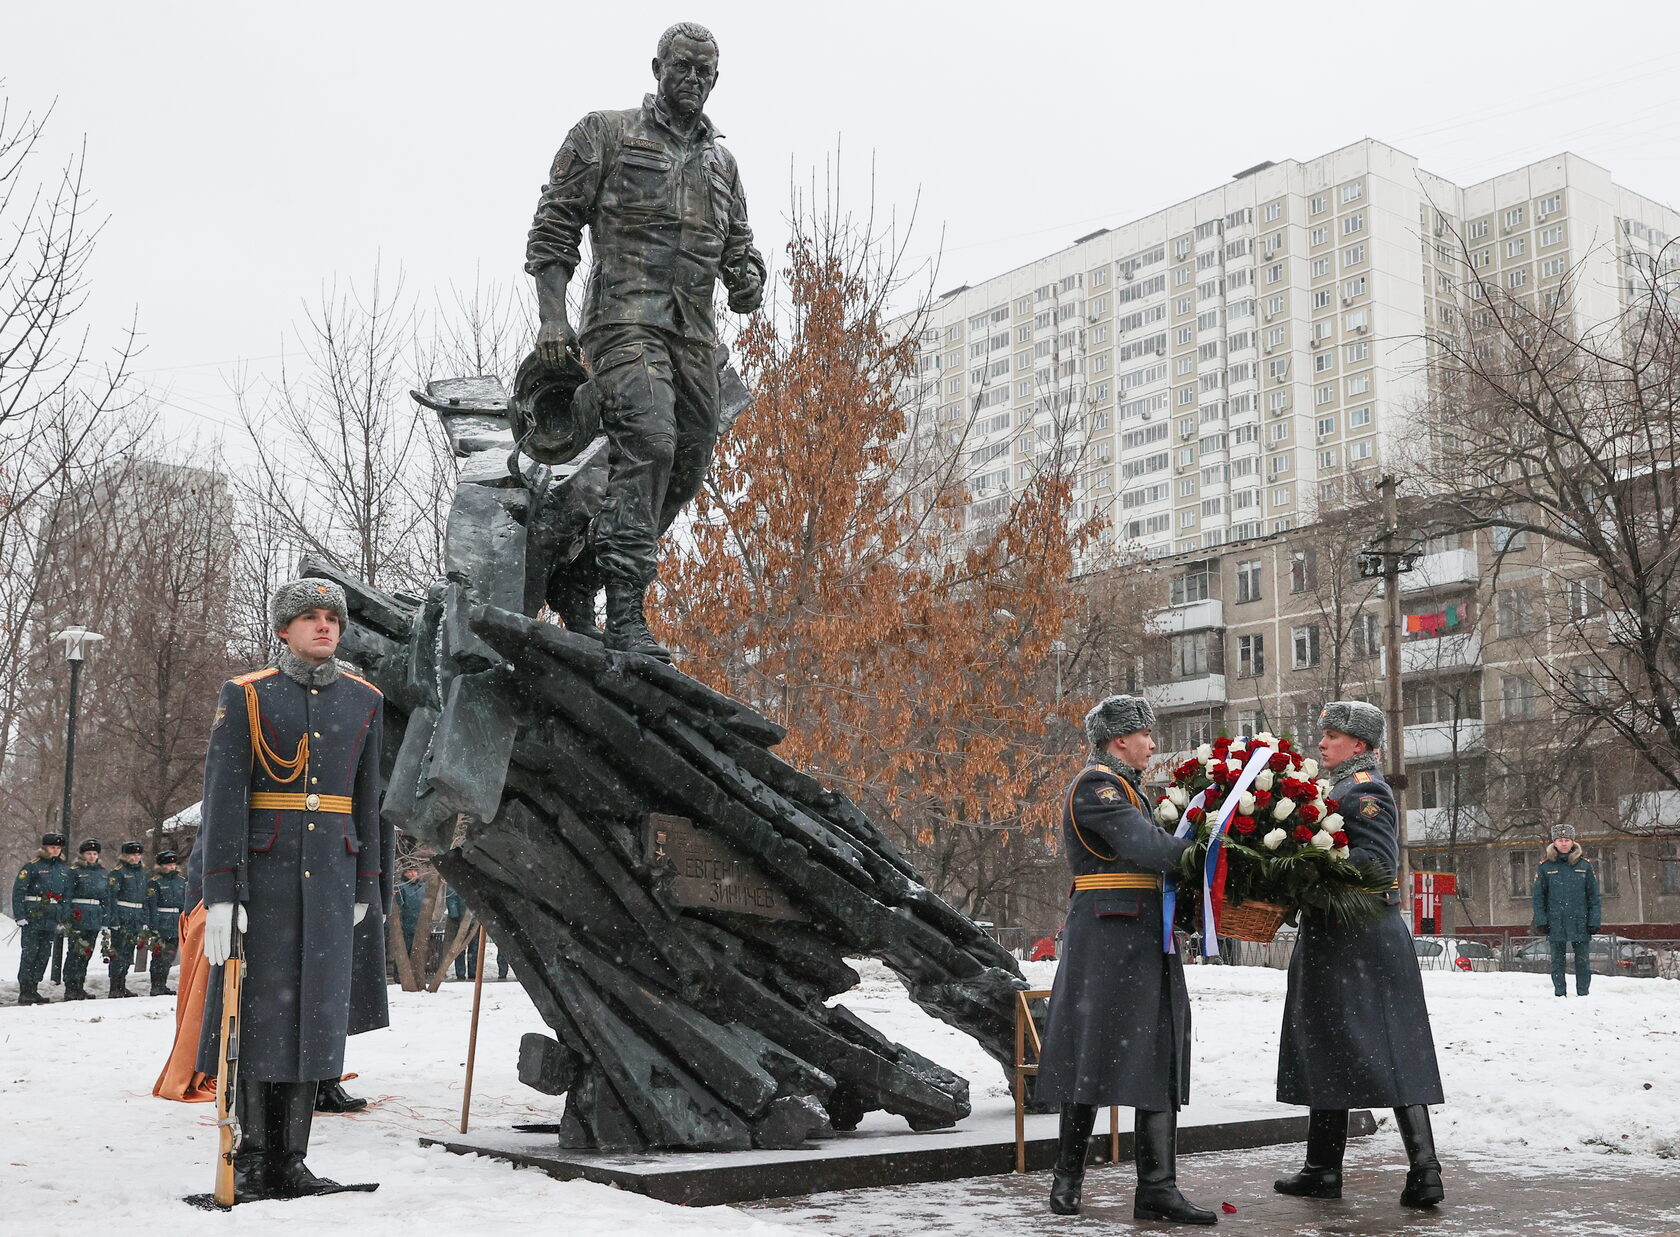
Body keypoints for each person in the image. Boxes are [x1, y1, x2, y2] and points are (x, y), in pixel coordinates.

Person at [525, 21, 766, 659]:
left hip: (694, 334)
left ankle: (582, 575)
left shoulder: (723, 162)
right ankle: (627, 614)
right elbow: (554, 225)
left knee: (684, 468)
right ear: (656, 68)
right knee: (651, 440)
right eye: (681, 68)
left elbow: (740, 247)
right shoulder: (603, 133)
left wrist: (748, 279)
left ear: (717, 79)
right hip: (622, 323)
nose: (692, 81)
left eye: (704, 72)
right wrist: (553, 319)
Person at [195, 577, 392, 1202]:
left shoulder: (363, 700)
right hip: (267, 879)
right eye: (309, 617)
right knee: (260, 1018)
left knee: (317, 1019)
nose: (325, 626)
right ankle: (253, 1160)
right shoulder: (249, 695)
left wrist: (368, 881)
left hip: (333, 879)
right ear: (284, 630)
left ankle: (293, 1161)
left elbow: (369, 799)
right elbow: (224, 795)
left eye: (333, 617)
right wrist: (222, 891)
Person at [1035, 695, 1215, 1226]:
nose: (1152, 744)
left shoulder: (1129, 788)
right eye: (1145, 735)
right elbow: (1147, 847)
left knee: (1156, 1051)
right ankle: (1067, 1180)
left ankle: (1157, 1187)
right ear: (1119, 740)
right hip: (1109, 934)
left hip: (1138, 935)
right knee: (1091, 1054)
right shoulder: (1098, 786)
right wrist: (1208, 852)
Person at [1275, 701, 1445, 1210]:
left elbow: (1374, 865)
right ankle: (1322, 1170)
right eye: (1323, 735)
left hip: (1362, 937)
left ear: (1362, 746)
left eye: (1334, 735)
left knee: (1390, 1050)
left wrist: (1307, 874)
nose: (1322, 742)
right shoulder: (1336, 789)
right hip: (1336, 937)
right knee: (1328, 1045)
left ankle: (1425, 1171)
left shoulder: (1367, 790)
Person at [1531, 823, 1601, 997]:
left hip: (1580, 921)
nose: (1564, 844)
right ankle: (1559, 994)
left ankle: (1583, 994)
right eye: (1560, 840)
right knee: (1557, 961)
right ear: (1554, 842)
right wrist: (1541, 921)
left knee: (1583, 961)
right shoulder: (1545, 867)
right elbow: (1538, 898)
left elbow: (1594, 897)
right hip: (1556, 922)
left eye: (1567, 840)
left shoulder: (1584, 866)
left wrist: (1594, 921)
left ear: (1573, 842)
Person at [12, 832, 71, 1004]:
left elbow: (66, 895)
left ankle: (34, 987)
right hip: (34, 914)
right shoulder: (32, 866)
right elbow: (19, 891)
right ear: (45, 847)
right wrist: (20, 915)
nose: (56, 850)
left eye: (58, 848)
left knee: (44, 953)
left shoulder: (62, 870)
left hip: (52, 916)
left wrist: (63, 916)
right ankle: (25, 989)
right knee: (30, 952)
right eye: (53, 847)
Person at [62, 839, 109, 1000]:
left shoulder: (102, 873)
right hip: (79, 914)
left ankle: (79, 985)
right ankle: (70, 987)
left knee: (86, 953)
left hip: (94, 916)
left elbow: (106, 898)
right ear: (82, 855)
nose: (92, 856)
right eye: (89, 853)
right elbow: (67, 895)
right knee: (75, 952)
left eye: (94, 854)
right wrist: (68, 916)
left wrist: (105, 919)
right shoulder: (75, 871)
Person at [106, 841, 149, 998]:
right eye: (132, 854)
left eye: (138, 855)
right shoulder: (119, 872)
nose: (136, 857)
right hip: (123, 915)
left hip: (135, 917)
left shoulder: (142, 874)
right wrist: (114, 919)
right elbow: (112, 897)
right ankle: (114, 986)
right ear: (125, 855)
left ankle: (122, 983)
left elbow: (144, 898)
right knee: (118, 951)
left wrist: (144, 919)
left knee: (128, 952)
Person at [145, 850, 187, 996]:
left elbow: (184, 904)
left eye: (174, 864)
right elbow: (152, 905)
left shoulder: (181, 882)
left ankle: (162, 984)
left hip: (176, 922)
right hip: (162, 922)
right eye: (169, 864)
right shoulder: (155, 882)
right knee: (159, 956)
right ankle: (156, 985)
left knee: (169, 955)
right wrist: (154, 927)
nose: (172, 867)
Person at [445, 883, 475, 981]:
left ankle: (472, 972)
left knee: (473, 949)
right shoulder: (457, 883)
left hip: (472, 921)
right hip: (461, 921)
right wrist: (456, 916)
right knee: (461, 948)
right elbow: (451, 899)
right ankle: (462, 973)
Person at [395, 866, 425, 960]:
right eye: (410, 871)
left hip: (419, 924)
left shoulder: (422, 886)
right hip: (406, 924)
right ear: (405, 873)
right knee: (404, 951)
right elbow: (399, 907)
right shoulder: (400, 886)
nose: (413, 873)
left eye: (415, 871)